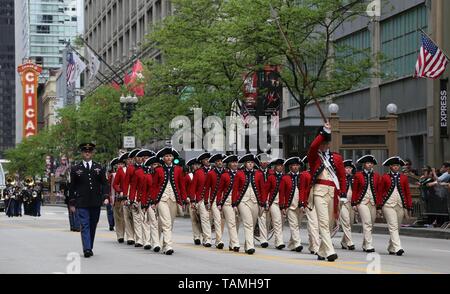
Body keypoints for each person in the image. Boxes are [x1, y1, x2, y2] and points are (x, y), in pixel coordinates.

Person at [307, 121, 346, 262]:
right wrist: (323, 132)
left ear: (329, 144)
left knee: (329, 224)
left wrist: (343, 195)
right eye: (322, 143)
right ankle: (330, 251)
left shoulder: (337, 158)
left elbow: (342, 177)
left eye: (325, 143)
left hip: (333, 192)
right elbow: (313, 146)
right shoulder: (314, 157)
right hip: (318, 191)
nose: (323, 145)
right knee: (323, 222)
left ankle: (322, 252)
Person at [68, 143, 109, 258]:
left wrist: (105, 196)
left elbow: (105, 184)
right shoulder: (76, 169)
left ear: (92, 153)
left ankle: (89, 245)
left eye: (89, 151)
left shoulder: (99, 167)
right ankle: (87, 249)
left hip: (95, 201)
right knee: (85, 225)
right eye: (85, 151)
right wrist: (71, 202)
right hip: (82, 202)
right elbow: (72, 186)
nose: (87, 153)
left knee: (93, 224)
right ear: (82, 153)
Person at [145, 147, 187, 255]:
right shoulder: (158, 170)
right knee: (166, 222)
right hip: (161, 199)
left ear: (173, 158)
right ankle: (168, 245)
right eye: (167, 156)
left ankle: (164, 245)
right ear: (163, 158)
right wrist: (153, 202)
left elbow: (181, 186)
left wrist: (183, 200)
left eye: (170, 156)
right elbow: (154, 187)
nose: (169, 158)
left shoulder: (178, 169)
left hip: (173, 198)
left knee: (170, 223)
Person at [232, 153, 265, 255]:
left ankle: (247, 244)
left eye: (251, 162)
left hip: (255, 201)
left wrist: (263, 203)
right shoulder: (239, 174)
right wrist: (234, 204)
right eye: (248, 163)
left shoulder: (259, 174)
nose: (250, 164)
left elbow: (262, 189)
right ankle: (251, 246)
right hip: (243, 201)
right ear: (245, 164)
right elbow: (235, 189)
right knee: (248, 223)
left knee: (253, 223)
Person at [379, 156, 413, 256]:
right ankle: (398, 247)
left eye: (397, 166)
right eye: (394, 165)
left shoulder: (404, 178)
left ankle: (391, 247)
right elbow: (380, 192)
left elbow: (407, 193)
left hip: (400, 205)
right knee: (393, 226)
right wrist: (379, 206)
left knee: (397, 227)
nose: (396, 167)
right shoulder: (384, 177)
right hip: (388, 205)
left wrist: (409, 206)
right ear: (390, 166)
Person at [280, 157, 311, 252]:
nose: (295, 167)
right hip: (290, 205)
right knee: (294, 225)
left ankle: (291, 244)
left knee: (297, 224)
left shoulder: (303, 176)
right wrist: (283, 206)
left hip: (301, 205)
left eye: (297, 165)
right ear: (290, 167)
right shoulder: (285, 178)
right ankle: (297, 244)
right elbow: (282, 193)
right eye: (293, 165)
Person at [351, 155, 382, 253]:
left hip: (372, 202)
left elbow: (378, 191)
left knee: (371, 224)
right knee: (367, 223)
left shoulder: (377, 176)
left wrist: (379, 205)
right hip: (362, 202)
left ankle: (365, 244)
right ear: (364, 165)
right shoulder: (358, 175)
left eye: (371, 163)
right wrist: (354, 203)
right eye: (368, 163)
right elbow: (355, 190)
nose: (370, 165)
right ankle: (369, 245)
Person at [216, 154, 240, 252]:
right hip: (227, 201)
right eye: (233, 162)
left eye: (236, 162)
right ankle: (235, 243)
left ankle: (231, 243)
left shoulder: (240, 174)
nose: (235, 164)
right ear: (229, 164)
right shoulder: (225, 175)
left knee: (237, 223)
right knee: (231, 222)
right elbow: (220, 190)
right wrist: (218, 203)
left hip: (238, 200)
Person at [189, 152, 212, 247]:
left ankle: (209, 237)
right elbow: (193, 187)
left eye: (209, 159)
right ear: (202, 161)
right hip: (201, 199)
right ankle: (207, 239)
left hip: (213, 198)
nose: (208, 161)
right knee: (204, 218)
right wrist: (193, 200)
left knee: (210, 220)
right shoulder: (198, 172)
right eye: (206, 160)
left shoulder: (214, 171)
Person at [205, 153, 227, 249]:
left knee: (222, 221)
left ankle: (219, 237)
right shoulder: (211, 173)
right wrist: (206, 201)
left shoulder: (226, 173)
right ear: (215, 163)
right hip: (214, 199)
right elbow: (207, 188)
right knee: (217, 219)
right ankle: (219, 241)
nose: (220, 163)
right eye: (218, 161)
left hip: (225, 199)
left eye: (221, 161)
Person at [113, 152, 135, 244]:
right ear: (126, 161)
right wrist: (120, 190)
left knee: (134, 216)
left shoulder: (137, 169)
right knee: (124, 216)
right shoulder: (121, 170)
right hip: (124, 194)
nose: (130, 161)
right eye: (128, 159)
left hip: (135, 194)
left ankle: (134, 235)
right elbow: (115, 184)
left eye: (131, 159)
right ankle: (124, 235)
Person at [141, 156, 162, 252]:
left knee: (159, 224)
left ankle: (157, 240)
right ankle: (152, 243)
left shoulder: (164, 175)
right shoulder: (147, 176)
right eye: (154, 164)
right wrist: (144, 204)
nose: (156, 166)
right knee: (151, 222)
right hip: (150, 202)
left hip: (161, 201)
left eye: (157, 164)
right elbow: (144, 191)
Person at [265, 158, 286, 250]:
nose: (280, 167)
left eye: (281, 165)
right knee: (276, 221)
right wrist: (266, 202)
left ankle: (278, 240)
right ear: (275, 167)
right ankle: (279, 242)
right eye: (278, 165)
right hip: (273, 202)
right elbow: (266, 190)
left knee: (281, 223)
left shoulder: (286, 177)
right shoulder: (271, 177)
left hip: (283, 202)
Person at [256, 153, 274, 248]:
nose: (264, 163)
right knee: (261, 218)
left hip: (271, 198)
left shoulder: (271, 172)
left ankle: (265, 235)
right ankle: (263, 239)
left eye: (266, 161)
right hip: (260, 198)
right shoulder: (256, 173)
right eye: (262, 161)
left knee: (268, 220)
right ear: (259, 162)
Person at [184, 158, 202, 245]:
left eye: (198, 165)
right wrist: (187, 197)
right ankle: (196, 236)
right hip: (191, 199)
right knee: (194, 219)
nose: (197, 166)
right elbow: (184, 188)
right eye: (195, 165)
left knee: (202, 218)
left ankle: (204, 235)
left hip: (201, 199)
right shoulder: (189, 176)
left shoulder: (203, 174)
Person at [57, 157, 78, 231]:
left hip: (76, 195)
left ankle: (76, 226)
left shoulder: (76, 173)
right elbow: (61, 182)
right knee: (71, 212)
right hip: (69, 195)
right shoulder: (65, 174)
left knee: (76, 211)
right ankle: (72, 226)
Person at [340, 160, 356, 250]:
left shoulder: (354, 178)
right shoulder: (339, 178)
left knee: (350, 223)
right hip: (342, 203)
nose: (348, 170)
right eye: (346, 168)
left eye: (350, 168)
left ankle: (343, 241)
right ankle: (350, 242)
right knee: (346, 222)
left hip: (351, 203)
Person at [106, 158, 118, 231]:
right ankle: (111, 224)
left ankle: (115, 223)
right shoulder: (109, 174)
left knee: (116, 211)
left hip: (116, 193)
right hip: (110, 193)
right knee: (110, 210)